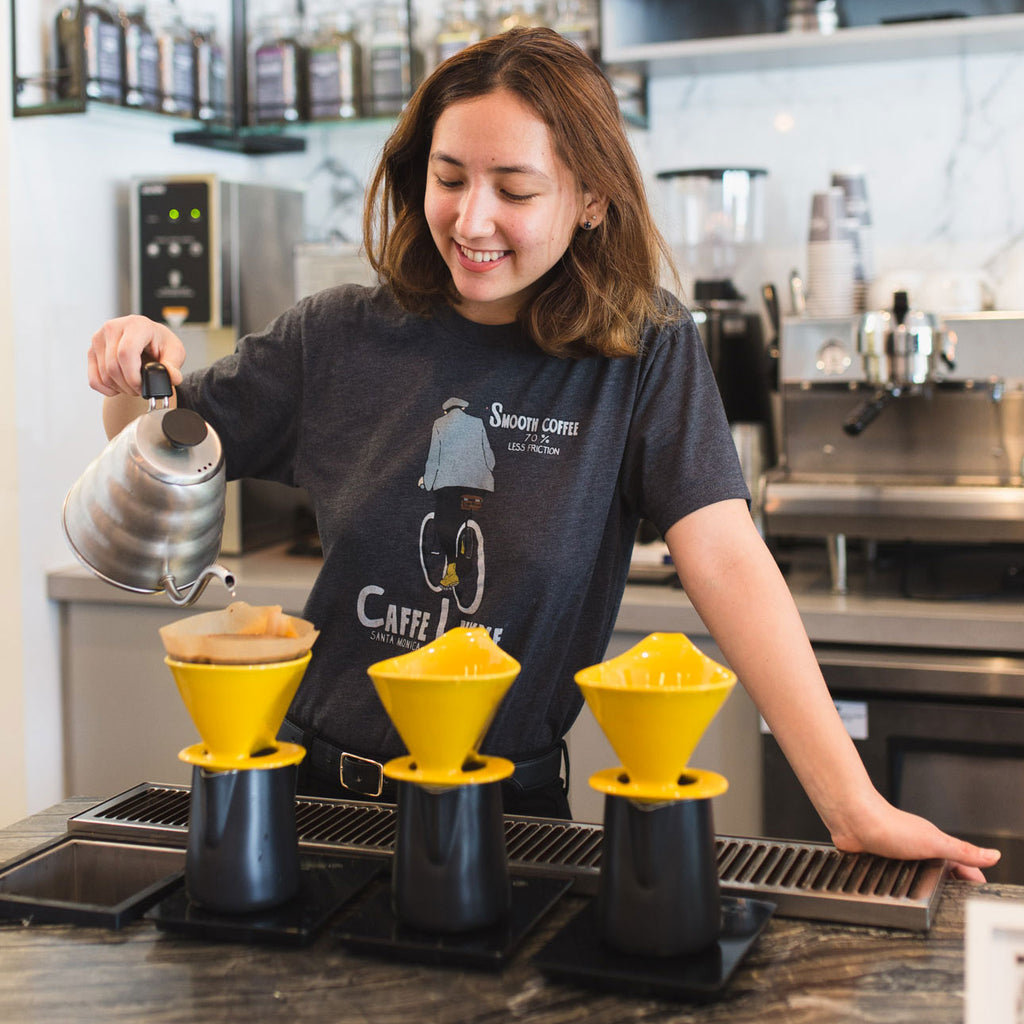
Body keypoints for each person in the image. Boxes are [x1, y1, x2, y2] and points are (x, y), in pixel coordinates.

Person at [88, 28, 998, 879]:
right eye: (449, 179)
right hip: (321, 799)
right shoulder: (338, 337)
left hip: (511, 817)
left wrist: (851, 806)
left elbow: (724, 554)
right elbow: (161, 450)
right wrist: (137, 366)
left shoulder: (645, 352)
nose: (472, 219)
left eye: (515, 191)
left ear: (591, 198)